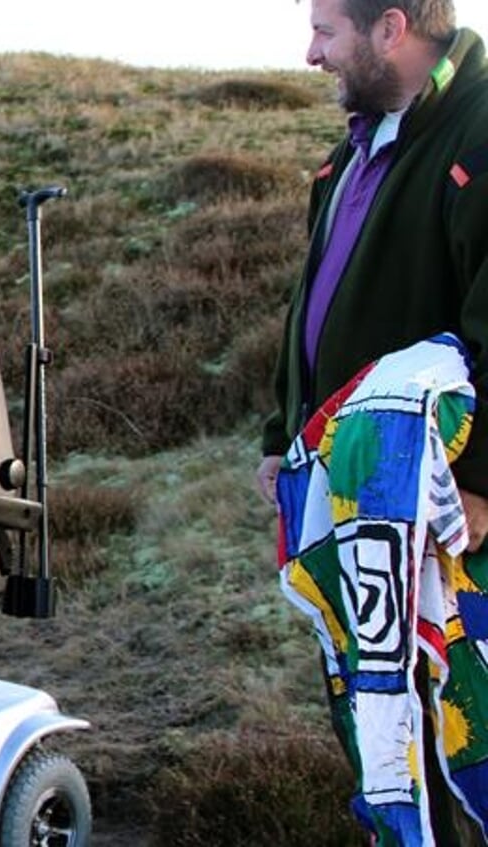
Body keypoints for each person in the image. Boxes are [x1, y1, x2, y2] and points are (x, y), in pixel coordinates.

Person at [256, 1, 488, 844]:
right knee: (375, 714)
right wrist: (279, 438)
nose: (310, 54)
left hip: (445, 506)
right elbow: (311, 314)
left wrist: (480, 478)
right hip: (347, 491)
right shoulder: (348, 157)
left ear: (390, 28)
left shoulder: (477, 132)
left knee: (460, 718)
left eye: (326, 32)